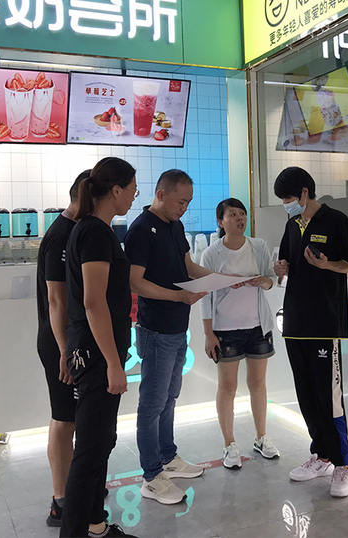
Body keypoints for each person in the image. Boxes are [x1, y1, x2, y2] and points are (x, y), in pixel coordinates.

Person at [60, 157, 139, 538]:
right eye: (132, 189)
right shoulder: (94, 233)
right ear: (116, 190)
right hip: (95, 356)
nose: (135, 196)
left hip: (97, 352)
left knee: (102, 442)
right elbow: (93, 303)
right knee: (90, 452)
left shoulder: (98, 231)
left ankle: (96, 525)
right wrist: (112, 363)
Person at [124, 170, 211, 505]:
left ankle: (168, 457)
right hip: (155, 329)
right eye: (180, 202)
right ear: (161, 194)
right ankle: (151, 475)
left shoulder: (175, 226)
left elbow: (188, 266)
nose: (184, 208)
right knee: (152, 403)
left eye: (188, 202)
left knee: (170, 396)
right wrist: (177, 297)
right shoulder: (140, 229)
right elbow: (135, 282)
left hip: (177, 327)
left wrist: (222, 278)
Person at [272, 167, 348, 498]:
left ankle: (343, 463)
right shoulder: (292, 224)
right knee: (306, 395)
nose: (286, 204)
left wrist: (327, 265)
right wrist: (281, 268)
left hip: (324, 322)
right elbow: (285, 263)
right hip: (296, 322)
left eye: (289, 197)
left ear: (305, 193)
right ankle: (321, 456)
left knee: (329, 397)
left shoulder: (336, 221)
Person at [200, 198, 280, 469]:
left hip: (258, 327)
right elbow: (205, 295)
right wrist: (208, 333)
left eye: (242, 214)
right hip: (225, 329)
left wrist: (263, 281)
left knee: (258, 384)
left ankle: (261, 437)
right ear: (220, 222)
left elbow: (271, 279)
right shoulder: (211, 253)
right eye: (232, 215)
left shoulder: (258, 246)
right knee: (228, 387)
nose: (239, 219)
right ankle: (229, 443)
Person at [36, 169, 89, 527]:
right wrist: (65, 350)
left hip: (71, 341)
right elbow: (56, 300)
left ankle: (77, 490)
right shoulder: (60, 235)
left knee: (76, 418)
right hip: (60, 342)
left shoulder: (77, 230)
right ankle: (61, 501)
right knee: (64, 418)